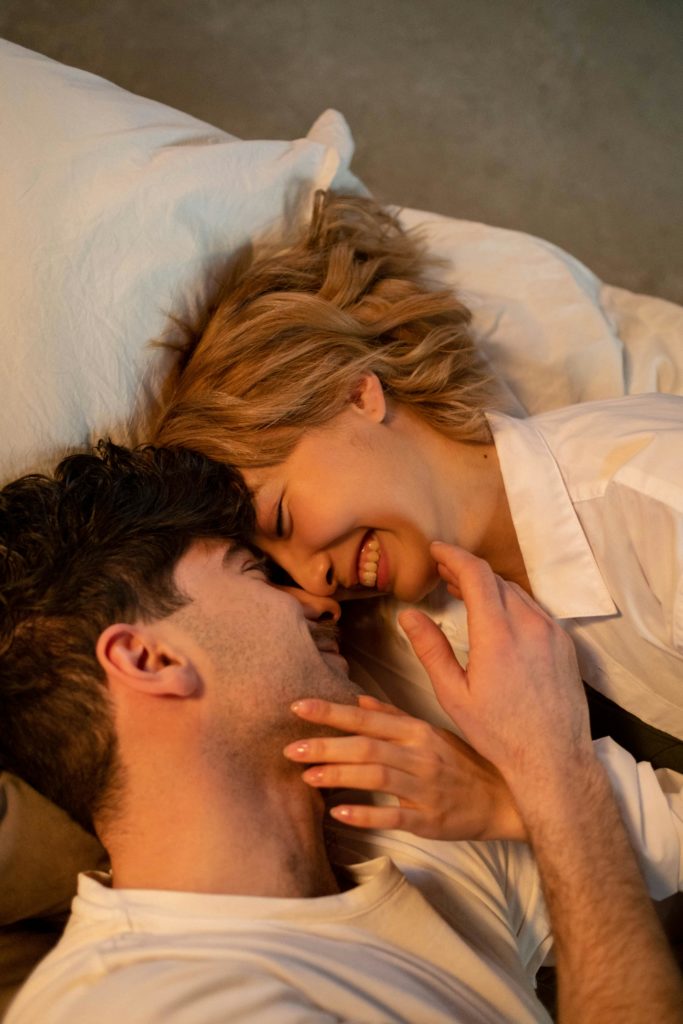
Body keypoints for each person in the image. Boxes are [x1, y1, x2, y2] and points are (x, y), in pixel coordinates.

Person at [0, 442, 681, 1024]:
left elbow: (618, 869)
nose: (319, 602)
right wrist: (549, 766)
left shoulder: (408, 845)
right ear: (150, 660)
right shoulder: (150, 1002)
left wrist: (520, 797)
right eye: (252, 574)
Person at [152, 190, 683, 894]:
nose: (314, 586)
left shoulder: (652, 496)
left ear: (355, 394)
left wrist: (516, 799)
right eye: (275, 570)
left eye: (280, 517)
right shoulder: (427, 629)